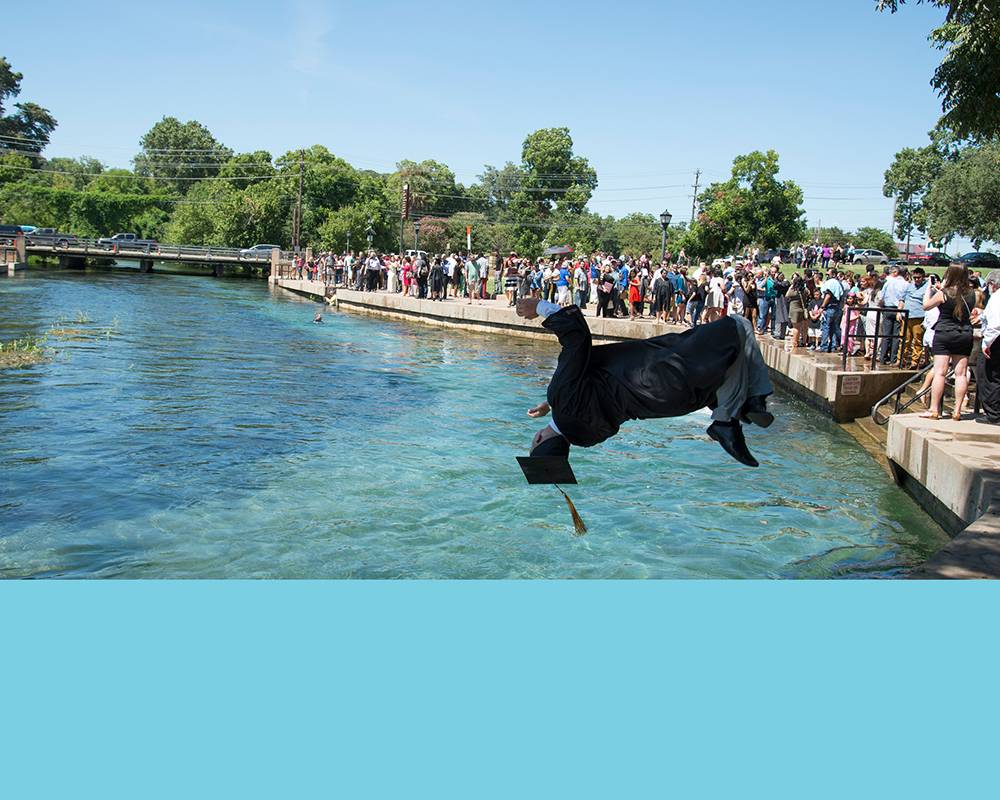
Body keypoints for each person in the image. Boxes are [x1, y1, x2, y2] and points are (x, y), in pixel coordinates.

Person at [515, 298, 775, 469]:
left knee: (728, 362)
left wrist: (551, 402)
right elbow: (577, 339)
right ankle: (731, 416)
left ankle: (745, 406)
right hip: (660, 374)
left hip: (670, 404)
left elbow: (588, 394)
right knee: (737, 326)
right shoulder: (563, 396)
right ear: (538, 436)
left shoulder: (588, 438)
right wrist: (539, 306)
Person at [922, 265, 980, 420]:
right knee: (961, 374)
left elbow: (926, 306)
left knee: (940, 373)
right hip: (964, 334)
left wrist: (929, 289)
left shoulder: (943, 293)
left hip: (944, 333)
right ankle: (957, 410)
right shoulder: (972, 293)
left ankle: (934, 409)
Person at [976, 270, 1000, 425]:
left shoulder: (997, 298)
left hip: (995, 341)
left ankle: (994, 414)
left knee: (989, 376)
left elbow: (996, 323)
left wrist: (986, 343)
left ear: (993, 284)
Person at [900, 268, 928, 369]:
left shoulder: (927, 287)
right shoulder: (909, 286)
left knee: (917, 340)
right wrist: (899, 312)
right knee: (904, 340)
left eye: (918, 278)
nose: (916, 280)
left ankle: (914, 361)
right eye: (915, 277)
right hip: (906, 316)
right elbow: (902, 299)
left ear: (923, 277)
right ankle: (901, 360)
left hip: (918, 316)